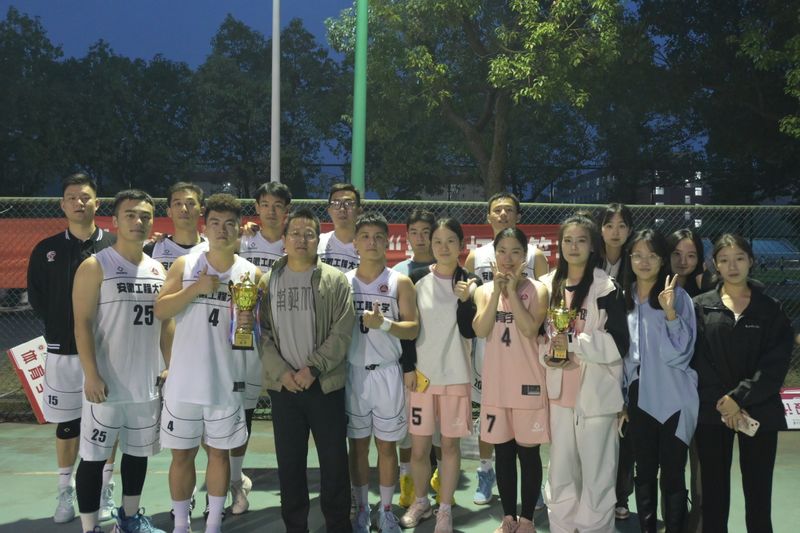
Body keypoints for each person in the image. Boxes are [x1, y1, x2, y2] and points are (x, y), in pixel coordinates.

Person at [155, 193, 261, 533]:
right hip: (184, 380)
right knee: (182, 455)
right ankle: (181, 524)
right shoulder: (185, 265)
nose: (222, 230)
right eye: (215, 223)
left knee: (219, 454)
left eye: (229, 224)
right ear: (205, 226)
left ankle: (213, 523)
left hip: (225, 381)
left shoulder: (251, 274)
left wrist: (249, 323)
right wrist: (195, 289)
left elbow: (258, 330)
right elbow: (161, 310)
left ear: (239, 229)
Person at [72, 190, 171, 533]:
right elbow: (81, 323)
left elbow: (166, 325)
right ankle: (90, 528)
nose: (138, 221)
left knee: (138, 454)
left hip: (145, 384)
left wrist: (170, 365)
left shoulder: (158, 269)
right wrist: (91, 374)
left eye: (145, 215)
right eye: (130, 214)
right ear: (114, 221)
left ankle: (129, 521)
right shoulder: (95, 265)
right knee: (94, 457)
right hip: (106, 385)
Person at [27, 172, 117, 524]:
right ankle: (65, 492)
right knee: (67, 425)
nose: (79, 202)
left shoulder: (114, 245)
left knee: (108, 423)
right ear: (62, 204)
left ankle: (105, 490)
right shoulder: (46, 249)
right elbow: (38, 299)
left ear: (97, 203)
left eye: (85, 197)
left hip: (108, 352)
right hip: (63, 351)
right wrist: (62, 325)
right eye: (72, 197)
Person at [259, 207, 355, 533]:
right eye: (295, 233)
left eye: (309, 234)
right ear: (284, 239)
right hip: (284, 388)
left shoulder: (335, 280)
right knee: (290, 466)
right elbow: (262, 333)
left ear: (318, 240)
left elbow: (342, 331)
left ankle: (338, 526)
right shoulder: (268, 281)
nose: (302, 239)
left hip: (324, 385)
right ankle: (295, 527)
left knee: (334, 464)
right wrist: (282, 373)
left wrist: (313, 368)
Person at [693, 234, 793, 533]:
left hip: (759, 411)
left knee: (759, 494)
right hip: (713, 411)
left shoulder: (771, 308)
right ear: (715, 265)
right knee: (713, 496)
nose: (732, 266)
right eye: (724, 260)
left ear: (751, 261)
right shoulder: (700, 307)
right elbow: (698, 359)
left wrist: (739, 398)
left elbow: (775, 364)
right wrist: (725, 403)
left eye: (739, 258)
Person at [539, 213, 629, 533]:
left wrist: (573, 344)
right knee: (561, 471)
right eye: (567, 240)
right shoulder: (547, 285)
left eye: (581, 240)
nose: (573, 246)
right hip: (560, 394)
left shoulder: (606, 287)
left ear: (592, 246)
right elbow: (539, 337)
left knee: (597, 473)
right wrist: (549, 357)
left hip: (596, 397)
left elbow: (619, 343)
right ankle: (562, 528)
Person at [464, 192, 548, 506]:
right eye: (502, 252)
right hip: (494, 371)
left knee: (528, 449)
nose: (508, 258)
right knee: (499, 444)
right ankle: (502, 503)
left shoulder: (537, 284)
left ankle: (527, 510)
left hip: (527, 374)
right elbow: (480, 328)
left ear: (525, 256)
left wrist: (511, 292)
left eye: (515, 253)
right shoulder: (482, 281)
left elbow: (530, 327)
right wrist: (497, 292)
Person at [400, 218, 479, 533]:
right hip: (422, 378)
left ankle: (444, 509)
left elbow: (469, 331)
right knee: (419, 449)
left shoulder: (471, 283)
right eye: (437, 241)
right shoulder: (417, 279)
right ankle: (421, 502)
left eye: (450, 241)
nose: (443, 247)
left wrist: (465, 300)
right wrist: (408, 367)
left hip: (456, 376)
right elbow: (408, 329)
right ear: (430, 245)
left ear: (461, 245)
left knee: (449, 448)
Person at [346, 212, 419, 533]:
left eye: (378, 237)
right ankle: (362, 508)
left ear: (387, 241)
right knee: (358, 446)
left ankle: (386, 511)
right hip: (354, 374)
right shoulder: (343, 281)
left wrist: (384, 324)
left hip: (388, 373)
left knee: (387, 447)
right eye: (365, 236)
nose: (371, 242)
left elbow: (412, 328)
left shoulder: (400, 282)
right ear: (355, 242)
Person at [621, 229, 697, 533]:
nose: (644, 261)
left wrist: (669, 314)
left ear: (662, 260)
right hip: (639, 397)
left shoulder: (678, 297)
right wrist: (622, 397)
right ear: (629, 258)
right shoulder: (623, 297)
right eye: (637, 255)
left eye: (652, 255)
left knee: (673, 473)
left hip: (674, 397)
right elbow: (622, 355)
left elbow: (681, 353)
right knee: (644, 471)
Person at [229, 181, 292, 515]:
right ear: (256, 208)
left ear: (287, 211)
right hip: (243, 336)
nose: (271, 211)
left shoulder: (295, 242)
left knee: (288, 412)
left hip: (284, 338)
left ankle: (293, 484)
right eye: (265, 204)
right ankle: (235, 480)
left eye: (278, 205)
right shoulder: (242, 240)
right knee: (242, 410)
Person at [391, 208, 437, 508]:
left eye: (426, 232)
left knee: (441, 432)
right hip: (406, 362)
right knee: (408, 429)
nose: (420, 238)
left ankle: (442, 482)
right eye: (414, 232)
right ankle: (406, 479)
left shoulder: (448, 269)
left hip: (440, 361)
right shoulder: (398, 272)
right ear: (407, 236)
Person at [666, 227, 711, 530]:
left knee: (702, 469)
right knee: (671, 470)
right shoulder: (654, 292)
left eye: (691, 255)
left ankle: (698, 525)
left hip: (701, 393)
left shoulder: (708, 293)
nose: (683, 261)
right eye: (677, 254)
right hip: (667, 394)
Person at [598, 202, 635, 521]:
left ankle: (621, 495)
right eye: (609, 225)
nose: (615, 232)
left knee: (624, 428)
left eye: (622, 225)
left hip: (627, 353)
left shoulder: (635, 262)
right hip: (594, 353)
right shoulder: (590, 262)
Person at [143, 182, 208, 271]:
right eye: (178, 204)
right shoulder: (152, 249)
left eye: (190, 203)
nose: (184, 209)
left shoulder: (213, 249)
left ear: (202, 210)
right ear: (169, 212)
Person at [318, 183, 362, 273]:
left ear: (359, 210)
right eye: (336, 203)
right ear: (329, 210)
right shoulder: (317, 242)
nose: (342, 209)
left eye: (348, 204)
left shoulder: (368, 246)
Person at [667, 228, 713, 298]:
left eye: (690, 256)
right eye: (677, 254)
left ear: (698, 259)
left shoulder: (706, 288)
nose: (683, 262)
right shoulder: (654, 287)